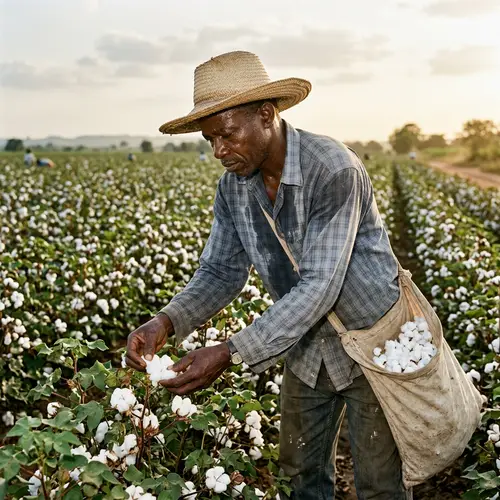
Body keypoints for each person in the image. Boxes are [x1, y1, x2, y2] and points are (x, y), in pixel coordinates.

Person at [126, 51, 411, 499]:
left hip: (373, 343)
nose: (220, 151)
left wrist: (231, 351)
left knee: (379, 484)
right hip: (306, 345)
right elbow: (221, 270)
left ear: (266, 115)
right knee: (298, 477)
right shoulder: (233, 187)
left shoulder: (333, 169)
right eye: (210, 140)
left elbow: (320, 285)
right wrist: (166, 321)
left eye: (227, 134)